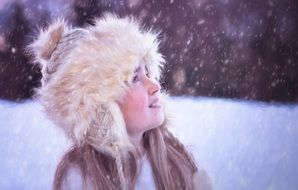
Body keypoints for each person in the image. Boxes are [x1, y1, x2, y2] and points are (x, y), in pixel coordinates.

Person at [29, 13, 211, 190]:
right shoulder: (80, 178)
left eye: (148, 73)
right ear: (101, 107)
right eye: (134, 78)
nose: (155, 85)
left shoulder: (175, 158)